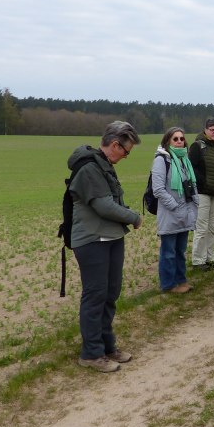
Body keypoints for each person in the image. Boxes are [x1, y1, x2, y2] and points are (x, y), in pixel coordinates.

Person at [68, 121, 142, 373]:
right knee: (95, 295)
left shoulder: (104, 165)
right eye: (126, 151)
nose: (126, 156)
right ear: (114, 144)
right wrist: (133, 216)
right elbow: (104, 206)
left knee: (110, 293)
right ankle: (91, 353)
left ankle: (108, 346)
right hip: (91, 240)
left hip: (110, 237)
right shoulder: (89, 168)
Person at [152, 127, 199, 294]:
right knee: (169, 252)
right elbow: (157, 189)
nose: (179, 141)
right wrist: (174, 205)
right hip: (170, 213)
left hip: (185, 213)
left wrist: (195, 201)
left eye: (181, 139)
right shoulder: (161, 160)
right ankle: (169, 285)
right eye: (175, 139)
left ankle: (181, 281)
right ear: (167, 141)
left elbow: (191, 184)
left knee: (180, 251)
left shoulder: (184, 159)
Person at [189, 117, 214, 270]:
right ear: (205, 130)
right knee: (201, 228)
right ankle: (198, 260)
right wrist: (201, 182)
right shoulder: (197, 146)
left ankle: (211, 258)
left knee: (212, 227)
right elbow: (191, 169)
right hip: (202, 192)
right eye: (212, 130)